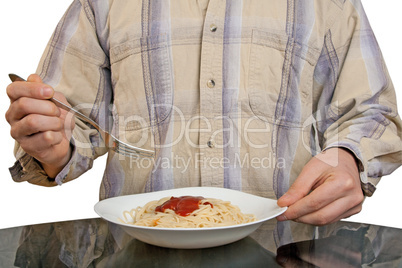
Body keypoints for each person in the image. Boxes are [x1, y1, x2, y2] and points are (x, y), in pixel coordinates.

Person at [5, 0, 402, 249]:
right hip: (135, 256)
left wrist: (350, 156)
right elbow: (68, 126)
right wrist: (50, 143)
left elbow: (372, 112)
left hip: (288, 252)